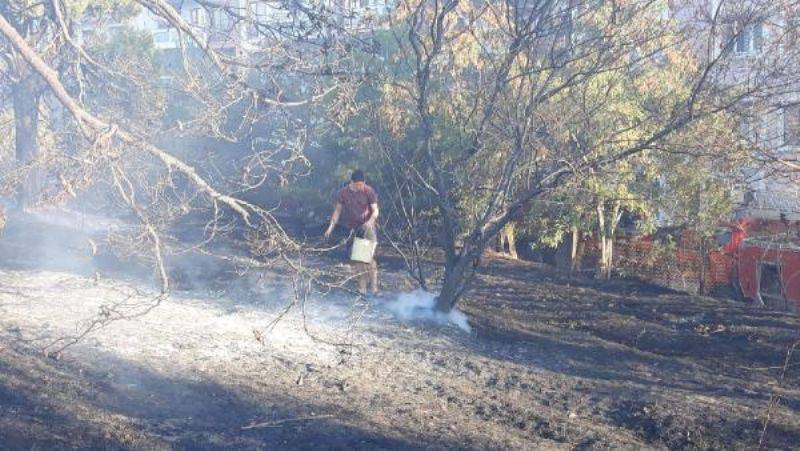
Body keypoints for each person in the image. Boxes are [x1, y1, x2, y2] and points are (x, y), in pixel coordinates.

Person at [324, 169, 379, 295]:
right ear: (351, 182)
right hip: (354, 229)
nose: (361, 187)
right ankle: (362, 290)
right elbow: (337, 211)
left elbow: (375, 210)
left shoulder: (368, 191)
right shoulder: (343, 193)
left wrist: (370, 221)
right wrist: (330, 228)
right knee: (358, 260)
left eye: (362, 184)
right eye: (358, 184)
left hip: (367, 228)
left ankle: (374, 289)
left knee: (368, 258)